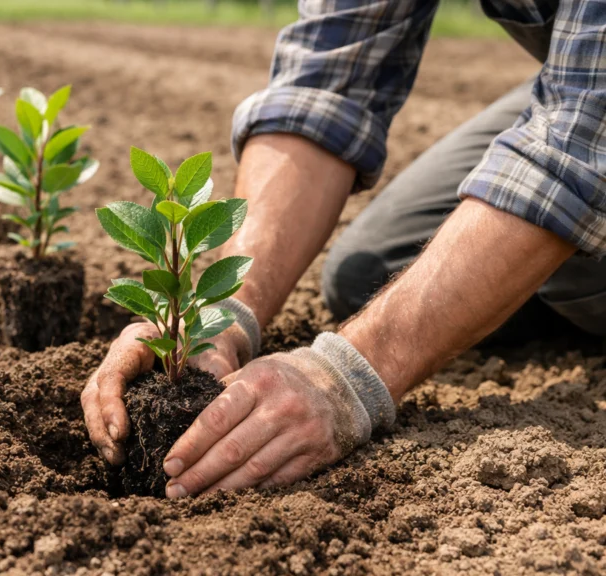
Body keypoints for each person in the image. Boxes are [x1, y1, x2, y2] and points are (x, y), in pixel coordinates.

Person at [82, 0, 606, 499]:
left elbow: (576, 144)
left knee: (568, 243)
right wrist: (220, 316)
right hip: (575, 83)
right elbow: (325, 82)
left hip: (591, 106)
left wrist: (345, 377)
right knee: (374, 269)